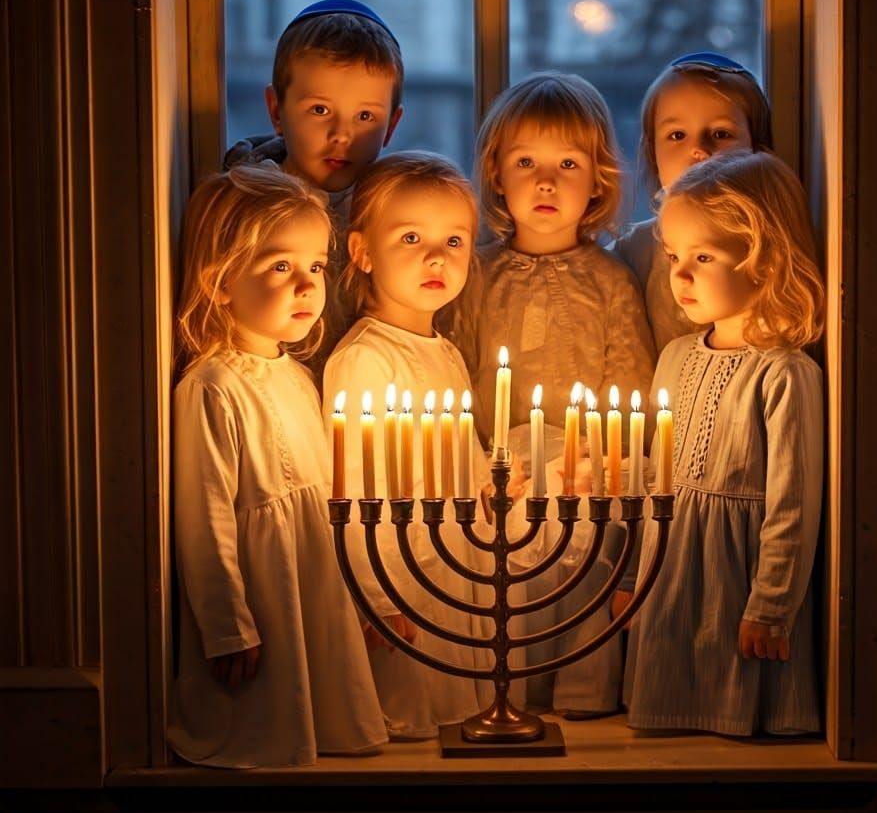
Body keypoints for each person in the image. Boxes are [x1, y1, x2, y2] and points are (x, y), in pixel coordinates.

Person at [448, 72, 657, 719]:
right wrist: (482, 463)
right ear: (496, 175)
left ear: (597, 178)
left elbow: (630, 382)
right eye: (526, 162)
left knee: (584, 579)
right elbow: (459, 376)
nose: (545, 181)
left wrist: (602, 461)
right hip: (501, 474)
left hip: (585, 472)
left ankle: (586, 701)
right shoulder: (477, 274)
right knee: (511, 587)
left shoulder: (612, 279)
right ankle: (517, 700)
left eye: (567, 162)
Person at [169, 165, 387, 768]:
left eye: (316, 266)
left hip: (311, 572)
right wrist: (226, 626)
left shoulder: (298, 377)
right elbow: (204, 520)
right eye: (280, 266)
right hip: (262, 594)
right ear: (219, 282)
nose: (307, 286)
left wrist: (360, 598)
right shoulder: (211, 387)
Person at [626, 149, 825, 736]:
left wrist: (772, 606)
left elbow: (793, 505)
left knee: (733, 716)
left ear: (765, 261)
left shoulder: (784, 374)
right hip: (670, 568)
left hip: (740, 579)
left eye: (703, 257)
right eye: (672, 257)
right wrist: (626, 581)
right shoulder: (675, 357)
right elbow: (652, 481)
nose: (679, 276)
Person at [321, 150, 501, 740]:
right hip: (402, 572)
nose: (436, 256)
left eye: (454, 241)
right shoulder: (364, 360)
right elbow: (354, 494)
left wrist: (493, 482)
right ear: (362, 251)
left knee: (457, 709)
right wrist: (376, 594)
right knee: (413, 717)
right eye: (411, 237)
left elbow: (461, 453)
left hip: (455, 558)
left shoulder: (444, 349)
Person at [225, 0, 406, 371]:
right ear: (277, 110)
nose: (341, 134)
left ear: (391, 126)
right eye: (320, 110)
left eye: (365, 116)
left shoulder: (395, 215)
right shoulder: (244, 209)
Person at [612, 51, 773, 353]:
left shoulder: (769, 244)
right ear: (653, 155)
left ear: (757, 149)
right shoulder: (635, 250)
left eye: (721, 133)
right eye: (677, 135)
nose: (699, 149)